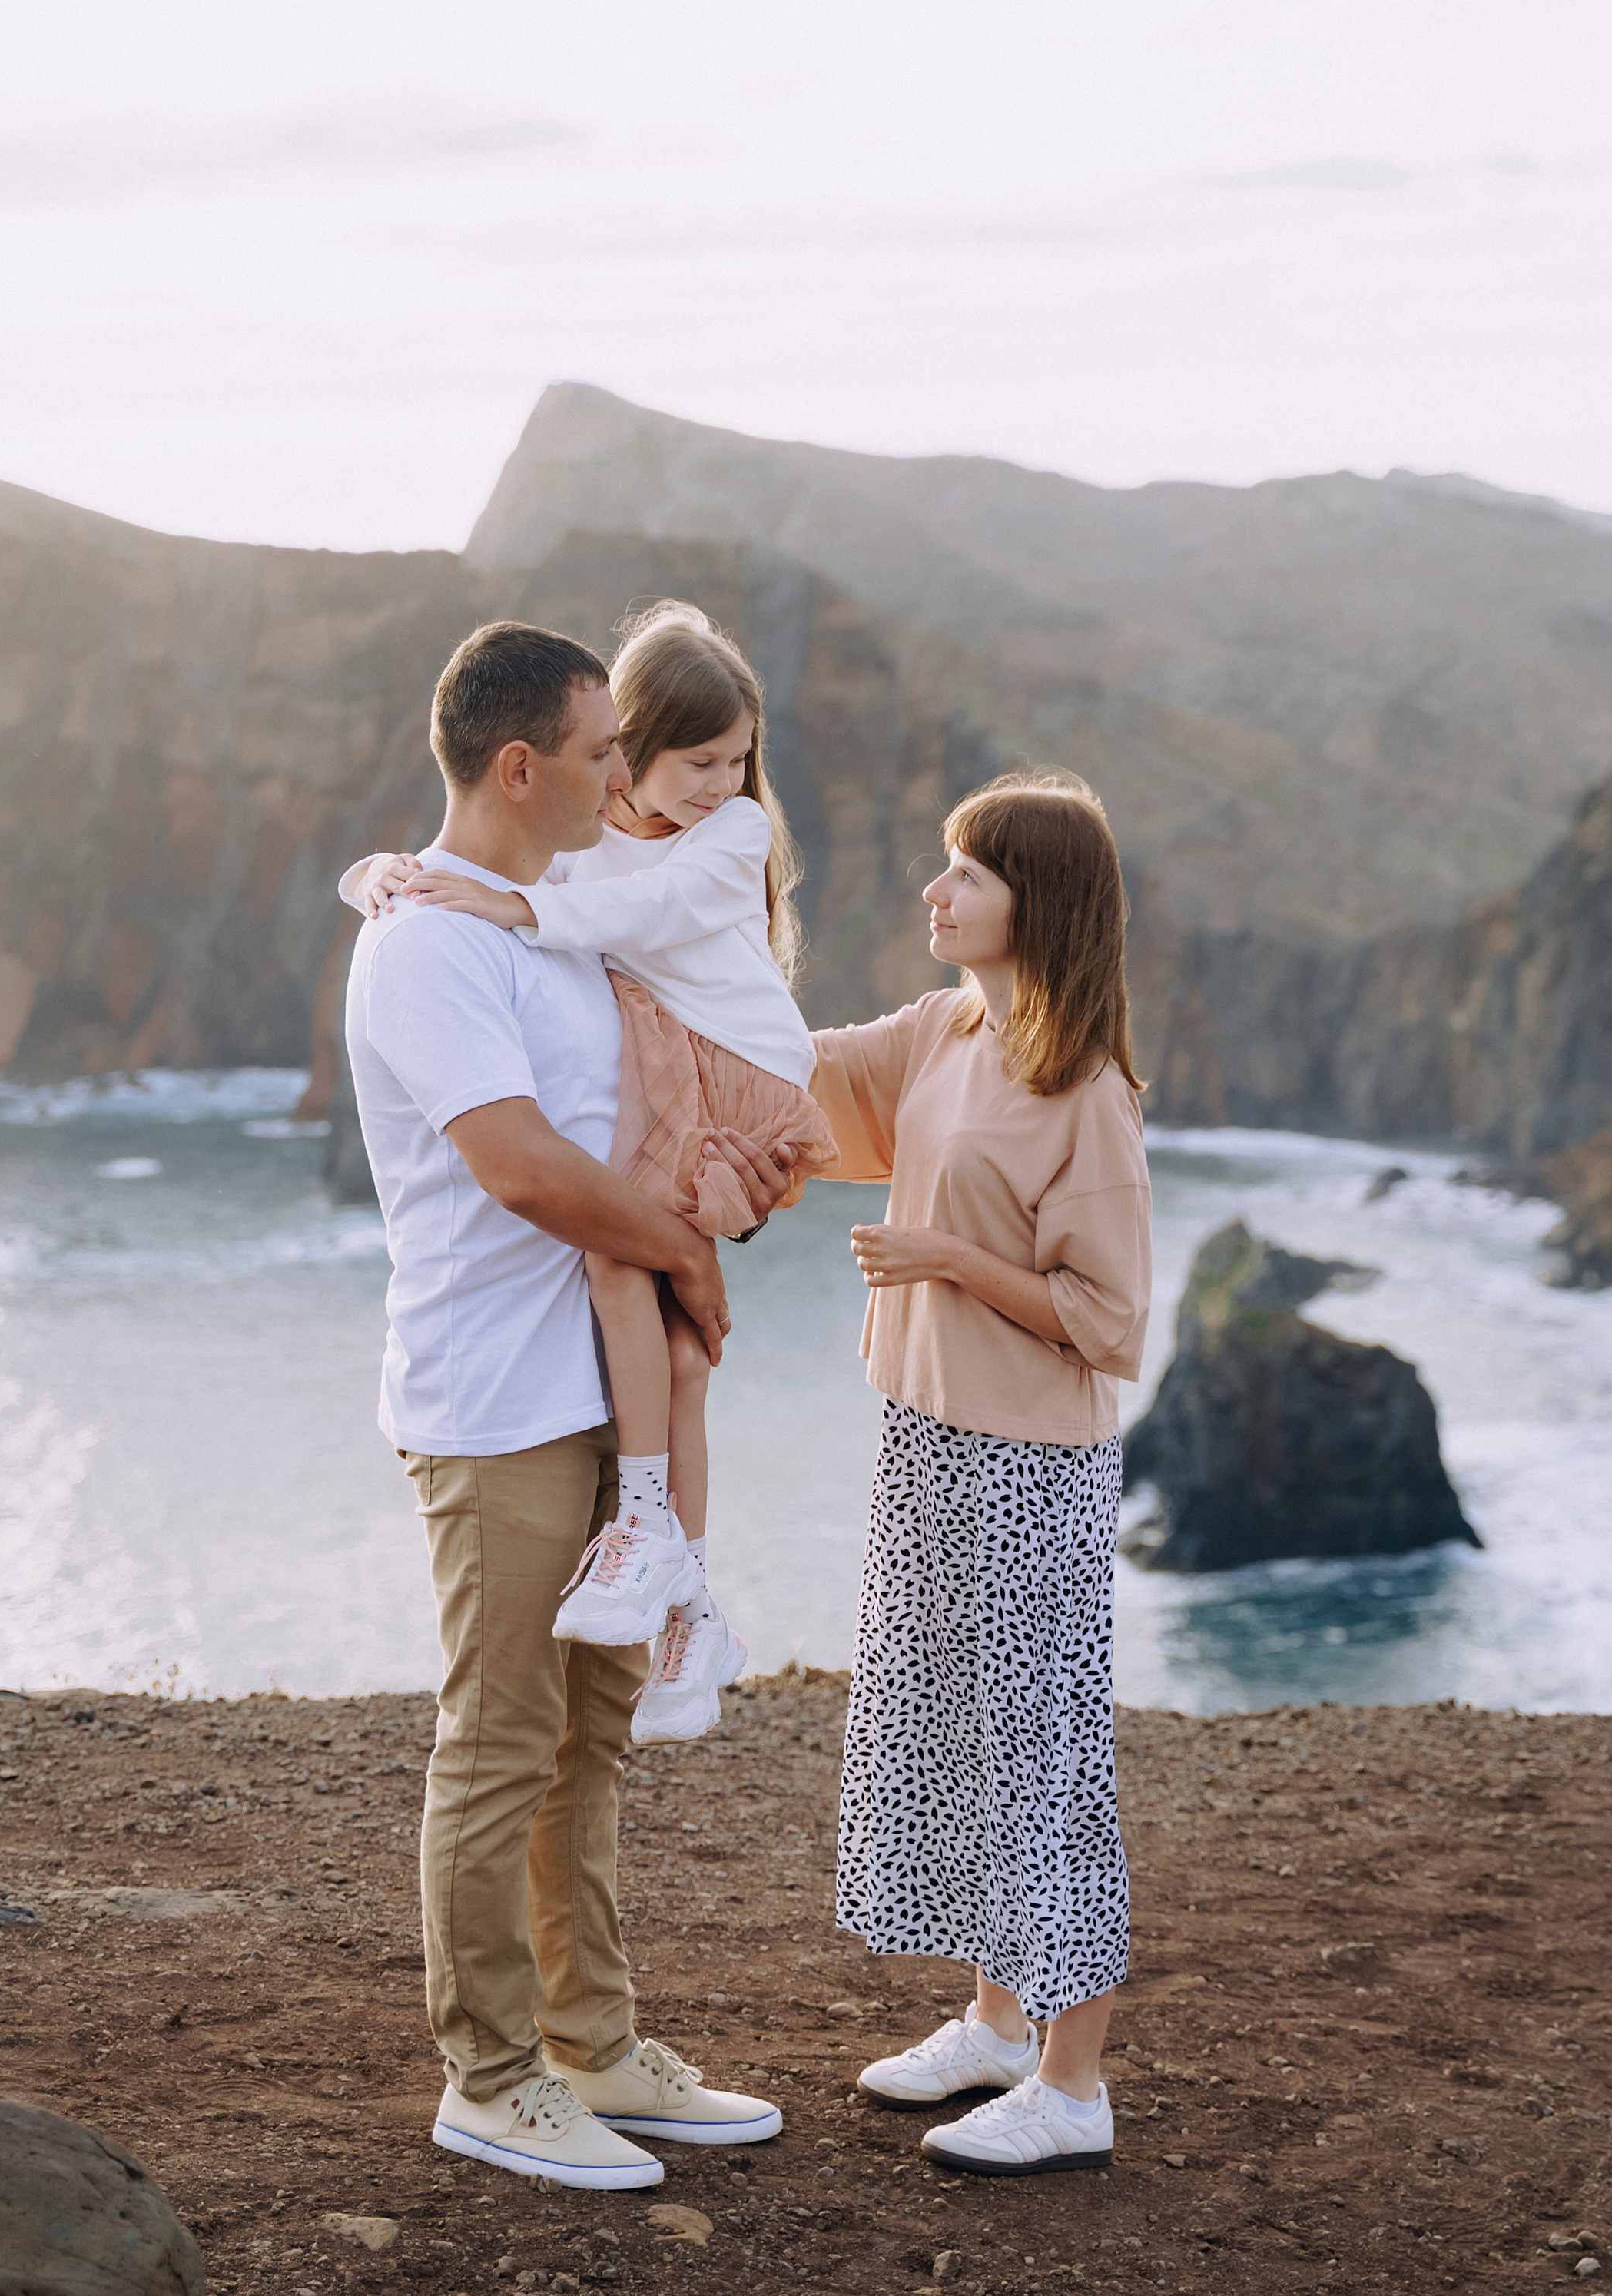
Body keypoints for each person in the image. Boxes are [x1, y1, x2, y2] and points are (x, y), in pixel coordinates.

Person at [343, 618, 786, 2188]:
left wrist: (711, 1209)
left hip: (610, 1387)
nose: (626, 774)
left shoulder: (552, 923)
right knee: (504, 1734)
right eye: (604, 752)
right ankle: (491, 2072)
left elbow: (655, 1102)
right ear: (521, 764)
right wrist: (683, 1256)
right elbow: (524, 1167)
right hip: (495, 1401)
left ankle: (595, 2043)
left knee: (592, 1735)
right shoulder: (422, 945)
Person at [343, 602, 837, 1744]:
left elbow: (632, 910)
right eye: (681, 758)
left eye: (738, 762)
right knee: (667, 1332)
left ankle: (667, 1548)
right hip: (511, 1373)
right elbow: (525, 1146)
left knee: (642, 1286)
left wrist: (509, 902)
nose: (724, 782)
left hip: (728, 1084)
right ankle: (689, 1590)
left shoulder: (724, 839)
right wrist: (379, 874)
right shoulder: (572, 860)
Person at [807, 773, 1152, 2178]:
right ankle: (998, 2022)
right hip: (927, 1435)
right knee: (955, 1736)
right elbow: (800, 1066)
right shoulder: (947, 1028)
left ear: (1038, 905)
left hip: (1028, 1468)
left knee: (1041, 1761)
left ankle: (1073, 2084)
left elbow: (1109, 1322)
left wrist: (949, 1261)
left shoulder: (1086, 1092)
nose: (935, 893)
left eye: (967, 874)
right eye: (944, 865)